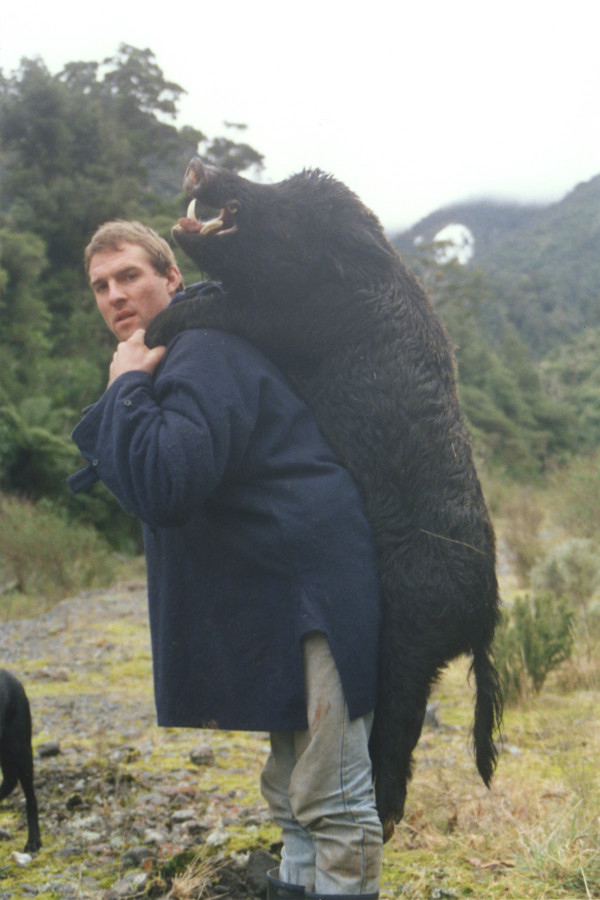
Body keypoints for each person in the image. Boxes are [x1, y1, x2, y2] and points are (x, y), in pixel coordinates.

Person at [68, 220, 383, 900]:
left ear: (171, 277)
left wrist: (125, 387)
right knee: (292, 791)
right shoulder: (176, 353)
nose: (115, 295)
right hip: (281, 589)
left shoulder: (202, 348)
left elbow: (166, 485)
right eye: (101, 285)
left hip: (316, 586)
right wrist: (131, 387)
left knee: (332, 795)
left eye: (130, 276)